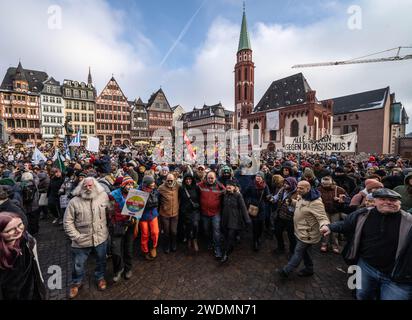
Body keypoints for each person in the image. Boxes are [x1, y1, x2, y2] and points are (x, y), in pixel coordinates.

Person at [321, 189, 412, 300]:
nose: (388, 202)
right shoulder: (363, 214)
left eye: (393, 200)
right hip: (366, 267)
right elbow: (346, 224)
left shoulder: (409, 221)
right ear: (375, 201)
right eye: (383, 199)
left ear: (399, 203)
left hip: (397, 276)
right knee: (362, 295)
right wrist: (330, 227)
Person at [63, 177, 110, 299]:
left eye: (90, 185)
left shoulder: (103, 196)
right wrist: (76, 236)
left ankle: (100, 277)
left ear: (95, 186)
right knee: (78, 264)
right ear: (81, 187)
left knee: (101, 260)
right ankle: (77, 282)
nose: (88, 188)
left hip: (100, 237)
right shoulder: (74, 202)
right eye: (86, 186)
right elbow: (67, 222)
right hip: (81, 240)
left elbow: (110, 212)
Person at [279, 181, 330, 278]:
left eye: (301, 188)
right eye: (298, 187)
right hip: (300, 230)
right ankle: (309, 268)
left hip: (308, 234)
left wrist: (325, 225)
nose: (298, 189)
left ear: (308, 189)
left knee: (298, 251)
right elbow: (300, 205)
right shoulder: (302, 196)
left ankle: (286, 271)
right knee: (304, 252)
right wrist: (292, 202)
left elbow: (322, 217)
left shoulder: (316, 202)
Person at [0, 212, 47, 300]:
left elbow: (35, 269)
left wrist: (41, 288)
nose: (18, 230)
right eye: (10, 230)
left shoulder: (27, 241)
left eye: (20, 224)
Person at [108, 176, 138, 282]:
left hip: (129, 226)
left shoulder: (135, 195)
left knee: (128, 249)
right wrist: (114, 222)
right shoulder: (113, 196)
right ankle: (118, 269)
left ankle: (128, 268)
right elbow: (110, 211)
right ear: (123, 185)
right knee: (115, 250)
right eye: (128, 184)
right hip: (117, 225)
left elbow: (137, 209)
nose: (130, 186)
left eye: (131, 184)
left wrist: (133, 218)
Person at [220, 179, 251, 263]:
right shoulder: (224, 194)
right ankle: (230, 246)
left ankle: (225, 254)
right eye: (227, 185)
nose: (229, 186)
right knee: (226, 235)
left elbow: (243, 208)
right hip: (225, 218)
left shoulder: (238, 195)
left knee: (230, 235)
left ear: (235, 187)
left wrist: (247, 220)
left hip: (234, 219)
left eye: (231, 185)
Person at [198, 171, 226, 259]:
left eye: (212, 178)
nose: (210, 180)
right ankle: (210, 242)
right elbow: (192, 185)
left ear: (215, 178)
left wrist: (235, 189)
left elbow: (227, 190)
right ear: (206, 178)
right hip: (204, 213)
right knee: (206, 230)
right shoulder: (201, 185)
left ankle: (217, 248)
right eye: (209, 178)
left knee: (216, 231)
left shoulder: (220, 187)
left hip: (215, 213)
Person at [317, 175, 348, 254]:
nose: (325, 186)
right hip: (324, 211)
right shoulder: (319, 189)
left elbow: (348, 199)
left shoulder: (339, 189)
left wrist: (341, 199)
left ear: (331, 182)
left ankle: (335, 245)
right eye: (323, 184)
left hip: (336, 211)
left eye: (327, 184)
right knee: (324, 228)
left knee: (334, 230)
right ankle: (324, 244)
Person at [272, 177, 298, 257]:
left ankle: (292, 251)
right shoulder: (282, 190)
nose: (285, 185)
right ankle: (281, 247)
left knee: (291, 236)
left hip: (290, 218)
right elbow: (276, 197)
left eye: (287, 184)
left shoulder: (297, 193)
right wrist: (272, 198)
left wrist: (290, 204)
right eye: (284, 183)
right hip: (280, 215)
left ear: (292, 185)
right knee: (277, 232)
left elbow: (298, 205)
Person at [244, 172, 270, 252]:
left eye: (260, 176)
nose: (258, 178)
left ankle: (258, 237)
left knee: (261, 224)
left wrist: (269, 198)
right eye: (257, 176)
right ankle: (255, 241)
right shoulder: (251, 185)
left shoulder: (265, 186)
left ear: (262, 178)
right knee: (255, 225)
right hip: (253, 207)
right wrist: (249, 201)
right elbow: (245, 193)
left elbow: (267, 195)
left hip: (262, 208)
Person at [138, 175, 160, 260]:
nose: (153, 186)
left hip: (153, 214)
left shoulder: (154, 190)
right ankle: (145, 250)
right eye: (151, 185)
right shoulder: (138, 192)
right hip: (143, 216)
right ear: (146, 185)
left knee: (155, 232)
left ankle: (153, 247)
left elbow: (158, 200)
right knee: (145, 234)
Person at [158, 173, 180, 253]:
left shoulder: (177, 186)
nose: (170, 182)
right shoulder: (161, 188)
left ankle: (173, 243)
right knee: (166, 231)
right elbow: (156, 197)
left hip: (175, 213)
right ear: (165, 180)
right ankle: (166, 245)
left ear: (174, 180)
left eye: (171, 180)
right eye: (168, 180)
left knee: (173, 231)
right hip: (164, 214)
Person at [179, 173, 201, 253]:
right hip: (185, 211)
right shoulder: (182, 188)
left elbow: (199, 198)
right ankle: (189, 239)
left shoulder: (196, 188)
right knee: (187, 227)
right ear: (184, 180)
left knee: (195, 225)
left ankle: (194, 239)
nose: (188, 181)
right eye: (186, 179)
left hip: (194, 210)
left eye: (190, 179)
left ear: (192, 179)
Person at [20, 172, 40, 236]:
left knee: (28, 218)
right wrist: (31, 172)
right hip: (34, 205)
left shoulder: (21, 185)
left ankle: (30, 231)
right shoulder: (34, 183)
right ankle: (35, 231)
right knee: (35, 218)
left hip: (25, 205)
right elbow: (37, 177)